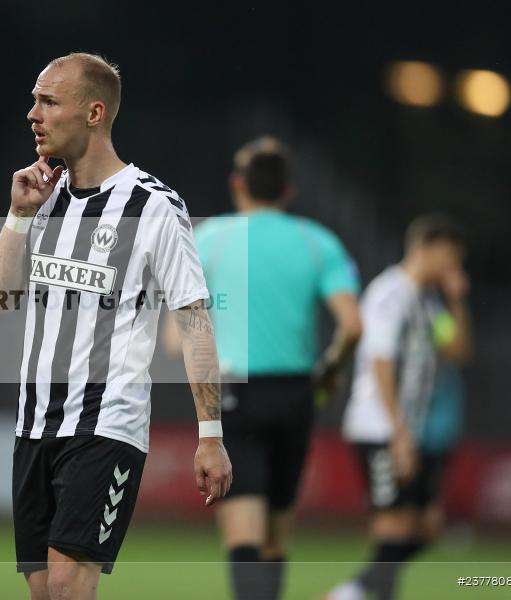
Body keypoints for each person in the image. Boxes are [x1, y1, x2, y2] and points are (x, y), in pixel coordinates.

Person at [0, 52, 233, 600]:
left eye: (48, 101)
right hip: (35, 425)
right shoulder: (43, 199)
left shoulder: (155, 206)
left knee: (71, 587)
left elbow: (194, 321)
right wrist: (18, 216)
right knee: (46, 592)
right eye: (33, 100)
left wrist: (209, 435)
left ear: (93, 113)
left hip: (105, 425)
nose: (33, 114)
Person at [164, 136, 362, 600]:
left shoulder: (209, 238)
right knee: (276, 536)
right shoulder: (318, 242)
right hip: (296, 394)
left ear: (238, 184)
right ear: (289, 190)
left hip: (236, 392)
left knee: (243, 537)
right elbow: (352, 326)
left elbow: (179, 339)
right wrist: (330, 370)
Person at [326, 214, 472, 600]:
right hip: (381, 428)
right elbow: (380, 362)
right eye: (449, 257)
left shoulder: (429, 304)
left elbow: (457, 351)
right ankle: (359, 594)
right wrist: (399, 434)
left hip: (408, 427)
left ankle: (351, 592)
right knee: (393, 526)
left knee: (426, 527)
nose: (452, 267)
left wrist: (456, 300)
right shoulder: (391, 293)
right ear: (423, 249)